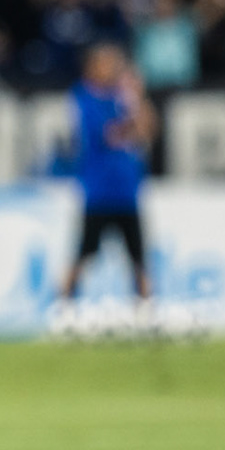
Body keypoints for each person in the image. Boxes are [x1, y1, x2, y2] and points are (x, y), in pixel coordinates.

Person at [58, 42, 155, 304]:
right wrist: (132, 109)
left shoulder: (121, 97)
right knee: (85, 252)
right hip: (99, 190)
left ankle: (146, 309)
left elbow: (147, 131)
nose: (113, 69)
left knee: (138, 257)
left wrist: (138, 100)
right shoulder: (84, 98)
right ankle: (63, 304)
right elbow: (109, 134)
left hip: (127, 189)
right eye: (108, 63)